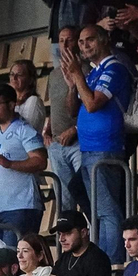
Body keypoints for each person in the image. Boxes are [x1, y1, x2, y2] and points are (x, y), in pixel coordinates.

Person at [63, 25, 133, 260]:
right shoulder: (92, 72)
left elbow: (93, 104)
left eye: (90, 40)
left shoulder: (114, 68)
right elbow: (73, 110)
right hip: (88, 149)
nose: (84, 46)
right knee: (96, 210)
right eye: (81, 42)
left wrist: (78, 76)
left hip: (106, 149)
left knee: (108, 211)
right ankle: (103, 258)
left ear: (104, 40)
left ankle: (111, 263)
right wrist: (73, 83)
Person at [0, 85, 48, 242]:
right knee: (1, 259)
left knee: (14, 258)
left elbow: (40, 161)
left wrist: (9, 163)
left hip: (22, 205)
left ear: (11, 105)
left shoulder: (24, 129)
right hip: (0, 208)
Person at [44, 26, 88, 220]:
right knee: (64, 198)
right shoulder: (54, 75)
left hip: (79, 142)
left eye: (69, 40)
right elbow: (53, 106)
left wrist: (75, 129)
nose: (65, 44)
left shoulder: (86, 69)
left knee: (85, 192)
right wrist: (47, 130)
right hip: (56, 143)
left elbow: (86, 107)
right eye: (61, 40)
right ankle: (68, 241)